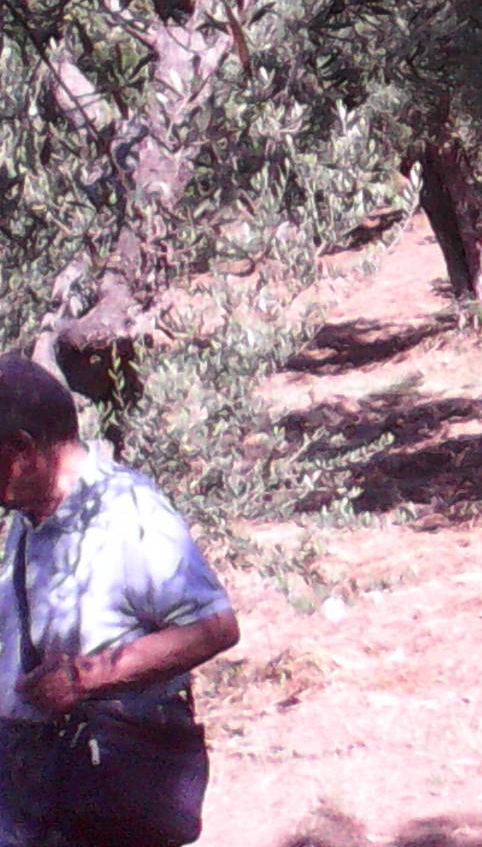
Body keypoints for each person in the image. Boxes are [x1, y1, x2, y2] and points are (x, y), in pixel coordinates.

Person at [0, 353, 240, 846]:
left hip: (102, 793)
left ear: (22, 450)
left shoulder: (127, 513)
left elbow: (214, 627)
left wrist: (83, 679)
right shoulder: (30, 511)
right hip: (35, 789)